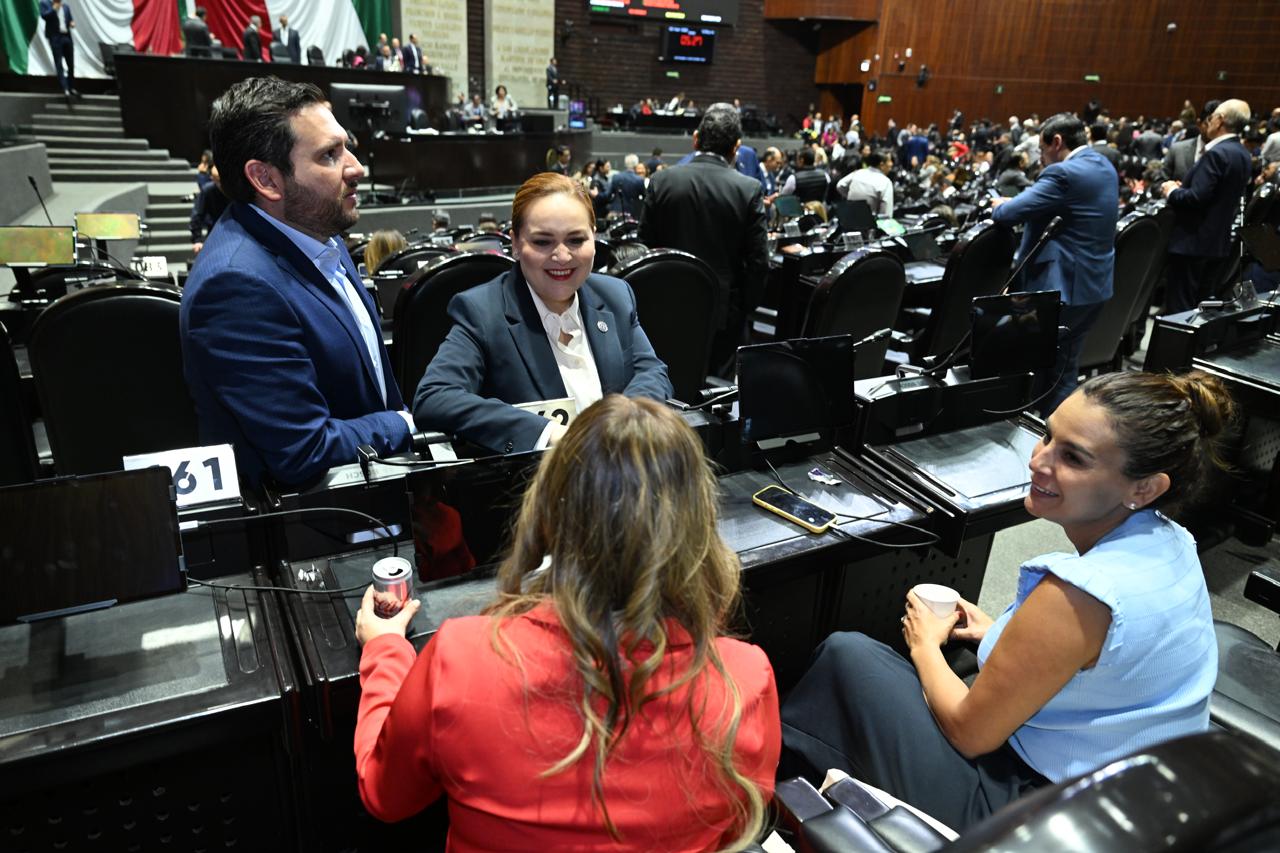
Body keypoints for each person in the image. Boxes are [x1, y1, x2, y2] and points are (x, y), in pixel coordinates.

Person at [781, 370, 1232, 832]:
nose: (1038, 460)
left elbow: (969, 732)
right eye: (1048, 436)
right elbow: (1107, 662)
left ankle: (780, 802)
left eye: (1073, 457)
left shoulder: (1080, 593)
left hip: (1045, 816)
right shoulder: (1173, 541)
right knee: (955, 659)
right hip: (1134, 802)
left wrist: (923, 644)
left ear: (1144, 488)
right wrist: (1002, 634)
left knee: (848, 657)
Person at [355, 394, 779, 849]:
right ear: (698, 525)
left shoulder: (460, 659)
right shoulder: (746, 682)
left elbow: (384, 794)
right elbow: (733, 827)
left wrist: (384, 649)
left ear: (550, 512)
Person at [180, 76, 417, 489]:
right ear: (266, 179)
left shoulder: (318, 230)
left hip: (376, 493)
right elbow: (304, 450)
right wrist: (404, 423)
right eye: (329, 155)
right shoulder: (235, 288)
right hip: (317, 520)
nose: (356, 168)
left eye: (346, 147)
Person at [414, 173, 672, 453]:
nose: (562, 256)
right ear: (515, 243)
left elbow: (652, 371)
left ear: (594, 236)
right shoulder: (482, 311)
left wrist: (621, 425)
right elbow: (435, 397)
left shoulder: (616, 295)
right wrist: (552, 434)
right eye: (542, 242)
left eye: (576, 240)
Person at [991, 112, 1118, 415]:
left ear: (1056, 142)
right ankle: (1054, 429)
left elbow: (1008, 214)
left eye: (1041, 149)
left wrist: (1000, 204)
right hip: (1094, 286)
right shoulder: (1105, 165)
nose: (1041, 157)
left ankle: (1036, 431)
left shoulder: (1063, 173)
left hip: (1062, 289)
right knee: (1064, 367)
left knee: (1034, 367)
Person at [640, 103, 768, 377]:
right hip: (723, 312)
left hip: (664, 303)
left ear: (696, 139)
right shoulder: (748, 189)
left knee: (663, 380)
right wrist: (744, 308)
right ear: (736, 147)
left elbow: (644, 247)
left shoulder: (661, 180)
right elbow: (758, 261)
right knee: (715, 389)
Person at [1161, 99, 1253, 313]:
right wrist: (1186, 188)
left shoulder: (1216, 153)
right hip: (1216, 242)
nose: (1208, 122)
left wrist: (1171, 191)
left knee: (1180, 310)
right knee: (1201, 308)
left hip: (1192, 242)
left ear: (1220, 120)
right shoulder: (1242, 154)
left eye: (1211, 118)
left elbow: (1196, 198)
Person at [835, 151, 895, 216]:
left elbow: (840, 185)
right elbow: (886, 214)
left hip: (849, 217)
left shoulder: (858, 173)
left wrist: (853, 199)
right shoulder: (886, 182)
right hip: (871, 220)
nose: (891, 164)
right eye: (889, 161)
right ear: (882, 165)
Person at [39, 0, 77, 98]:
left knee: (71, 63)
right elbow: (44, 16)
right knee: (59, 63)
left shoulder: (66, 7)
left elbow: (70, 19)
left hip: (67, 37)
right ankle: (65, 88)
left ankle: (71, 87)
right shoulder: (45, 3)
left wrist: (71, 23)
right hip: (55, 37)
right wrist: (53, 9)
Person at [189, 166, 228, 256]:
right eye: (218, 181)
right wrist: (197, 240)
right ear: (212, 179)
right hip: (214, 230)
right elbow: (197, 215)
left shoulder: (235, 190)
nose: (222, 184)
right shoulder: (207, 190)